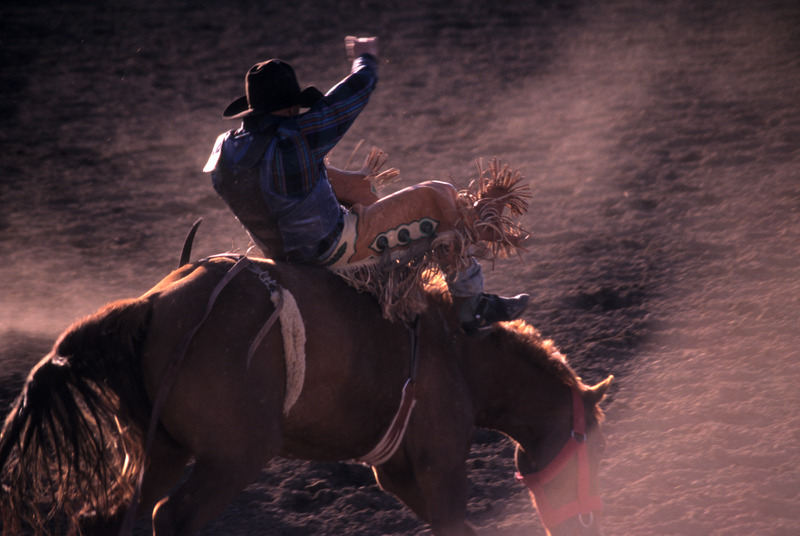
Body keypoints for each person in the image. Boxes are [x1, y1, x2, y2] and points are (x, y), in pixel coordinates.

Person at [204, 36, 528, 335]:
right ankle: (470, 304)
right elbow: (355, 92)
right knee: (437, 195)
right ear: (290, 106)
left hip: (277, 251)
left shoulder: (225, 150)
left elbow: (273, 187)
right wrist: (364, 58)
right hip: (329, 249)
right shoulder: (297, 137)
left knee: (345, 183)